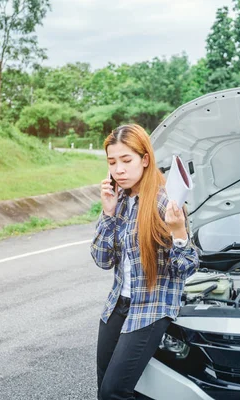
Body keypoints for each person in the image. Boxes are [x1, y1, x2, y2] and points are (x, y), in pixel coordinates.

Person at [90, 124, 199, 400]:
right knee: (105, 387)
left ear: (145, 159)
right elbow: (102, 260)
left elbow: (185, 268)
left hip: (151, 309)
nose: (119, 170)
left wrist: (178, 232)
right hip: (117, 305)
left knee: (115, 391)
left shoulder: (166, 203)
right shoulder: (120, 199)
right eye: (112, 162)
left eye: (126, 161)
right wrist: (108, 213)